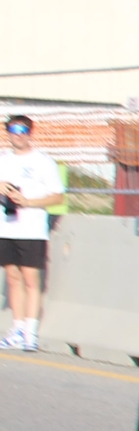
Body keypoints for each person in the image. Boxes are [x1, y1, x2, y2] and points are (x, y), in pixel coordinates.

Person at [1, 114, 67, 351]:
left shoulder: (42, 162)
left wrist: (27, 202)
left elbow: (58, 196)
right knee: (12, 278)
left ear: (30, 133)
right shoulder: (3, 159)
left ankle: (31, 332)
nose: (17, 135)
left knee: (31, 280)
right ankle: (16, 330)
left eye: (22, 130)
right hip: (6, 226)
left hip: (31, 229)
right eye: (12, 130)